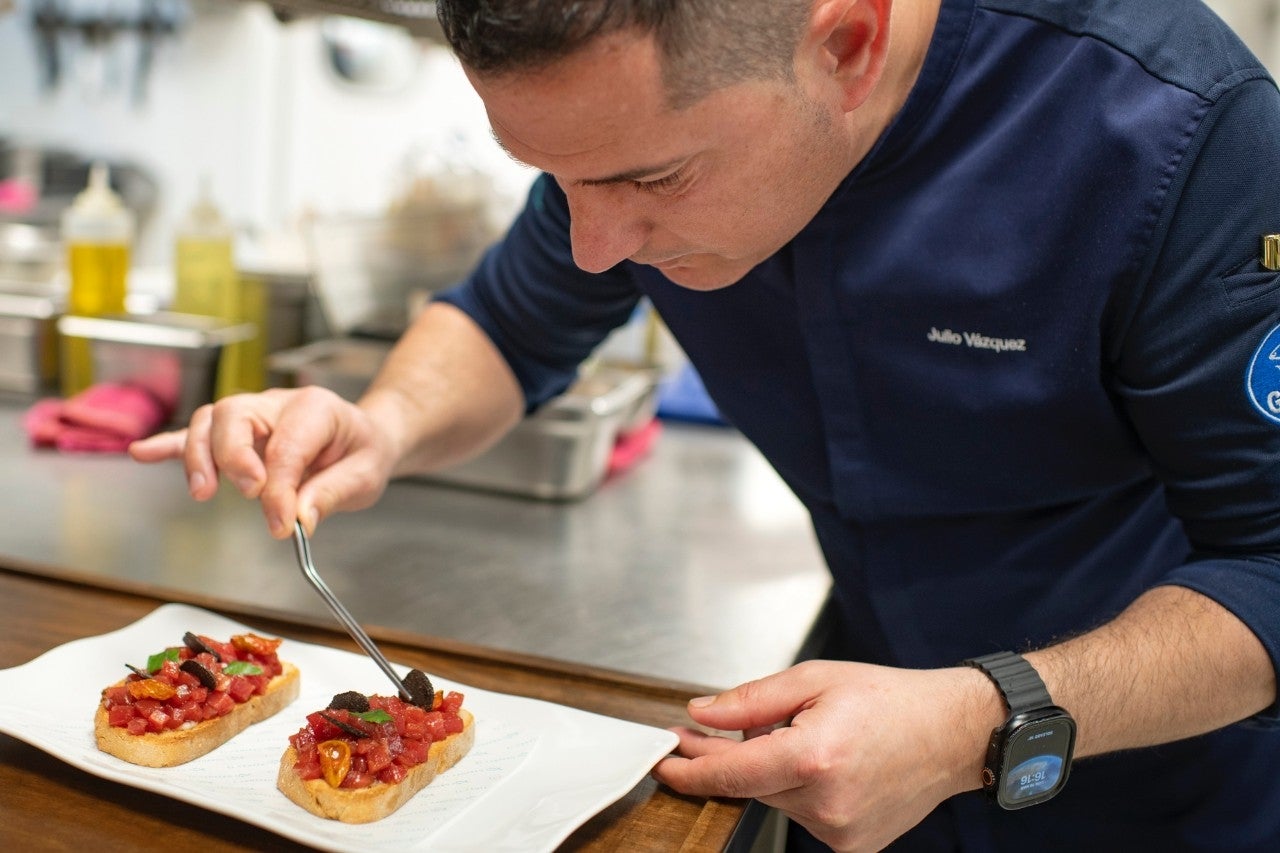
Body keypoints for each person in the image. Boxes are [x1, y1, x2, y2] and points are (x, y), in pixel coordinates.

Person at [130, 0, 1280, 849]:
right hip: (848, 758)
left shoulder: (1180, 136)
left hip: (1149, 782)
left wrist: (970, 722)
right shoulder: (635, 134)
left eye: (654, 182)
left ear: (846, 43)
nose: (591, 243)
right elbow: (515, 317)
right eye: (552, 177)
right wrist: (380, 424)